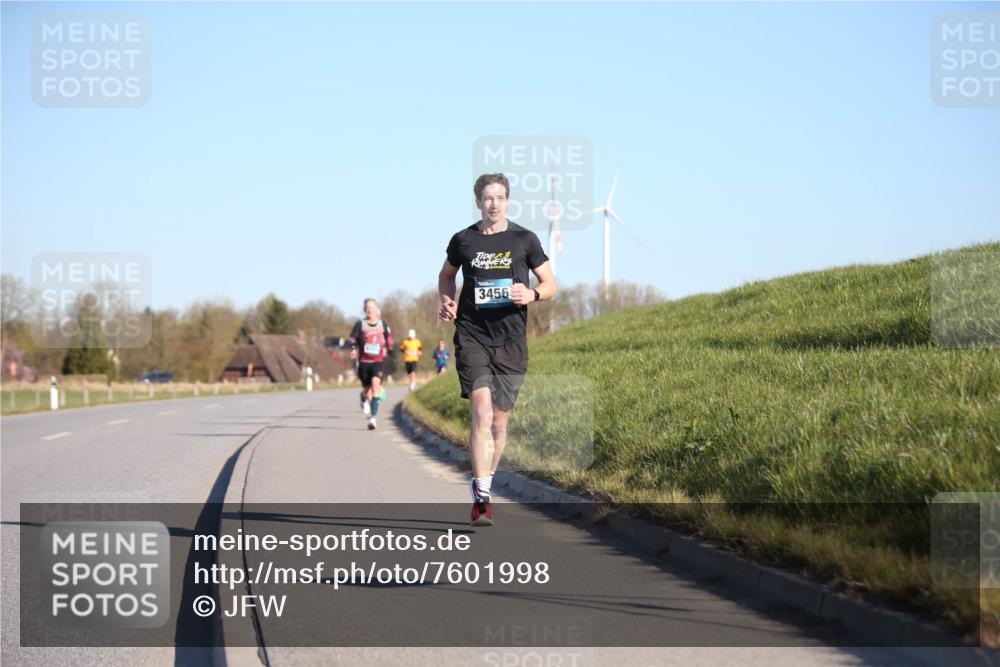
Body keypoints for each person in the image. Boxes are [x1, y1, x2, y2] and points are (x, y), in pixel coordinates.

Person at [438, 173, 557, 526]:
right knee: (482, 413)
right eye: (487, 198)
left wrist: (532, 294)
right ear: (478, 202)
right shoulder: (463, 240)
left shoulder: (525, 239)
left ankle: (484, 481)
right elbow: (446, 275)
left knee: (500, 423)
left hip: (511, 340)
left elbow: (550, 283)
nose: (493, 204)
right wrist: (446, 300)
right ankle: (483, 497)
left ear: (508, 201)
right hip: (472, 334)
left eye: (500, 197)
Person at [349, 298, 393, 430]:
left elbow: (389, 338)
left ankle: (373, 419)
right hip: (363, 362)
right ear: (364, 310)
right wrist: (352, 349)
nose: (369, 310)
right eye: (367, 308)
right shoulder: (360, 324)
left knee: (375, 386)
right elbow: (352, 338)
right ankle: (363, 397)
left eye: (371, 307)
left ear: (376, 310)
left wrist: (389, 349)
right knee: (367, 390)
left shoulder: (382, 324)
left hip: (377, 362)